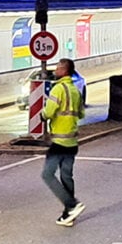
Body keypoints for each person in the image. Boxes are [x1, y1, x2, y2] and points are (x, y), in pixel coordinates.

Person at [41, 58, 86, 227]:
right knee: (66, 175)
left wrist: (42, 115)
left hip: (59, 141)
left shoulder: (58, 89)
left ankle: (72, 204)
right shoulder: (75, 90)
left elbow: (49, 111)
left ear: (64, 71)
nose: (55, 70)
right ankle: (69, 215)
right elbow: (81, 114)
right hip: (72, 140)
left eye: (59, 68)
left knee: (47, 174)